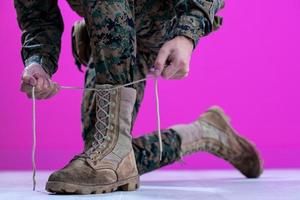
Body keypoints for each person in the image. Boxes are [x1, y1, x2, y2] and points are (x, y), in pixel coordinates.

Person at [14, 0, 263, 195]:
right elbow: (38, 18)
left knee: (111, 154)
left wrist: (187, 34)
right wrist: (38, 64)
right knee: (108, 160)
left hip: (163, 23)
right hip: (112, 35)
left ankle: (112, 148)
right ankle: (205, 132)